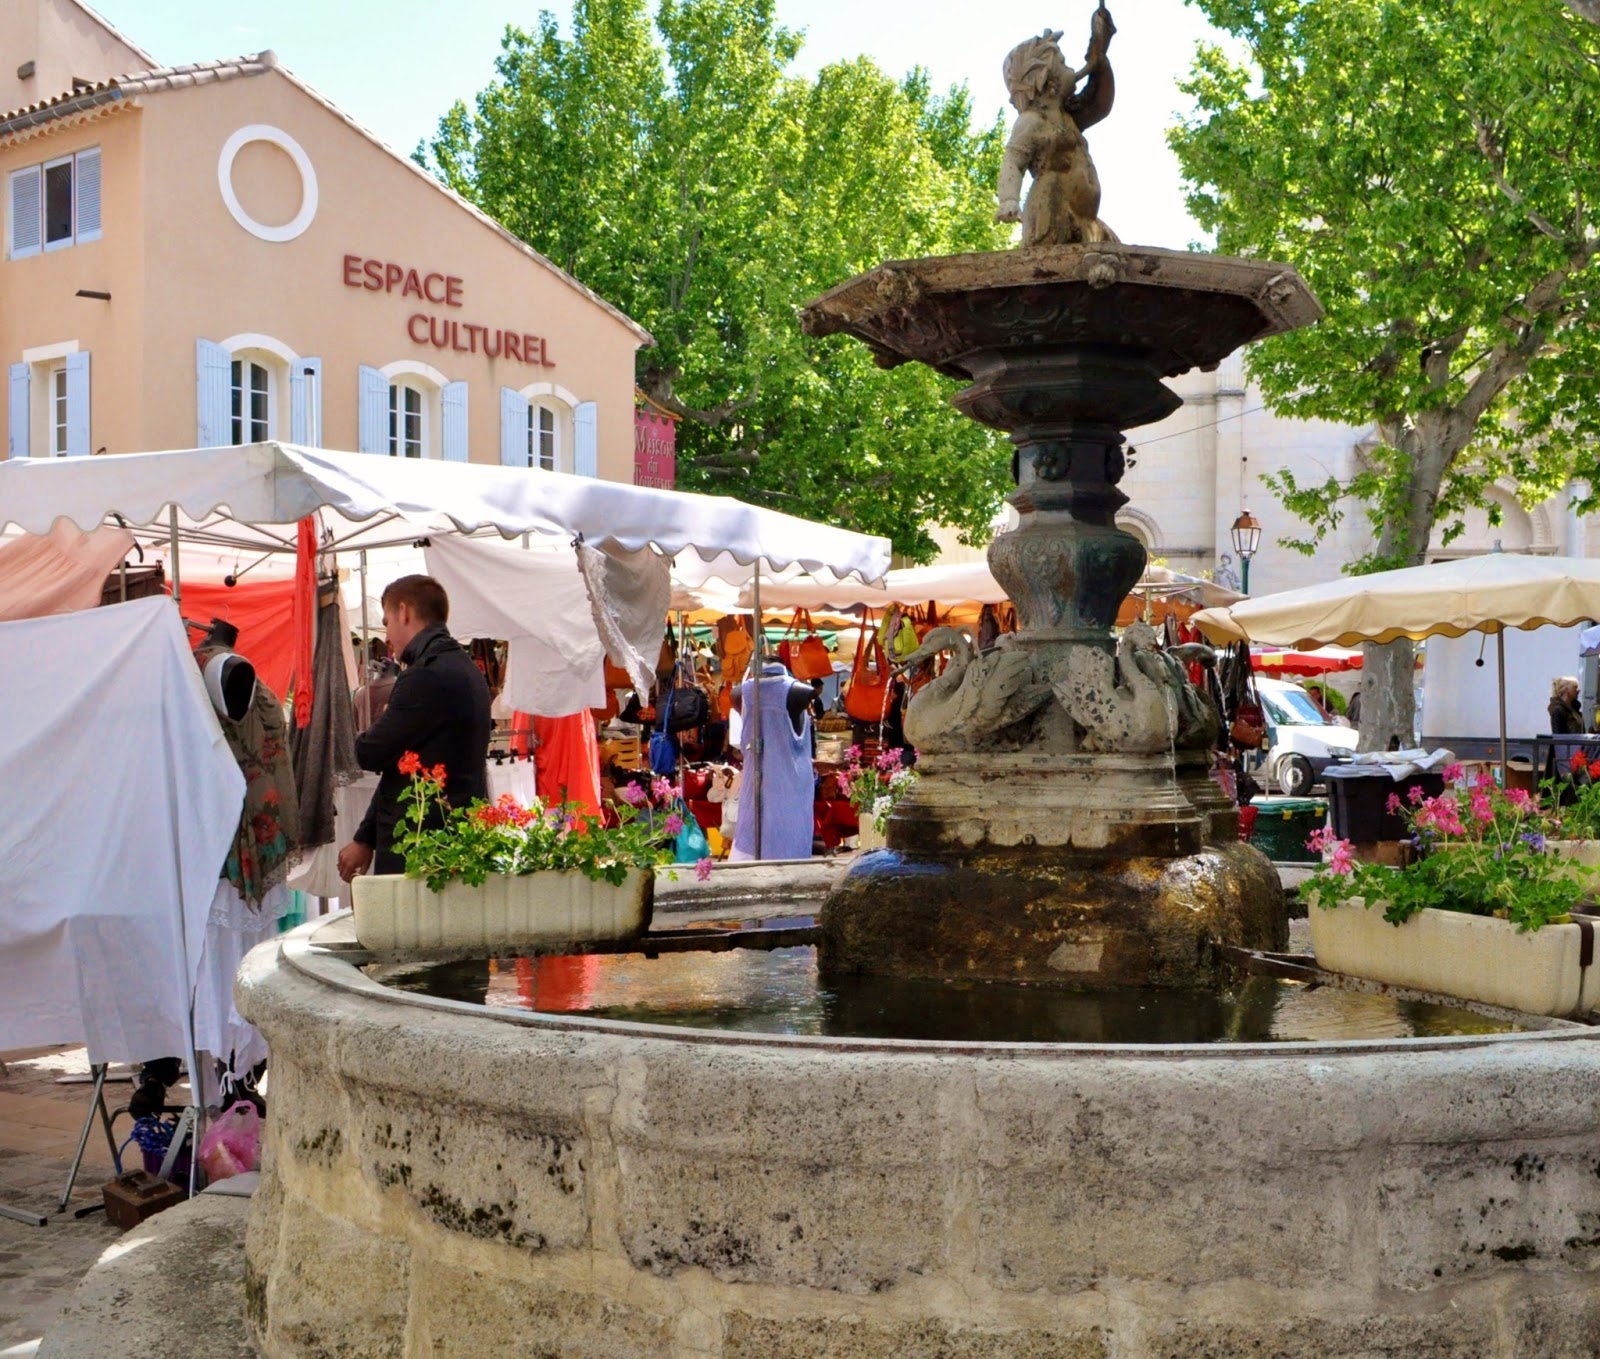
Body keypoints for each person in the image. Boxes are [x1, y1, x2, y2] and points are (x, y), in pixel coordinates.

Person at [337, 576, 492, 880]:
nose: (387, 635)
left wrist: (342, 735)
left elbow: (372, 753)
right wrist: (366, 837)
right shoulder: (464, 668)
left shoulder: (426, 675)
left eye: (387, 622)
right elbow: (404, 767)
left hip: (423, 849)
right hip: (453, 839)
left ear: (404, 612)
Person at [995, 5, 1117, 247]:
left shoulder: (1068, 115)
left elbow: (1100, 104)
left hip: (1085, 218)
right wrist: (1008, 199)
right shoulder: (1032, 122)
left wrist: (1100, 52)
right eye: (1062, 62)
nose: (1069, 67)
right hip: (1051, 214)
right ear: (1047, 80)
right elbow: (1013, 160)